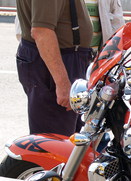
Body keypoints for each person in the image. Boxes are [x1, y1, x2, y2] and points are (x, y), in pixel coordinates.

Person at [15, 0, 93, 137]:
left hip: (63, 58)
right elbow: (41, 32)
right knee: (55, 142)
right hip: (57, 62)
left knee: (71, 141)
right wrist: (63, 84)